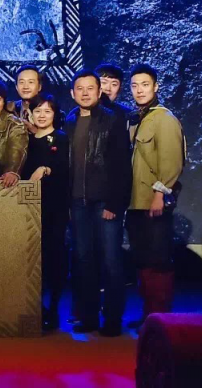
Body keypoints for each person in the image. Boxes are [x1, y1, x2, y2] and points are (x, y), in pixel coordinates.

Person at [65, 69, 132, 337]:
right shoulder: (69, 121)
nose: (85, 93)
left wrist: (114, 203)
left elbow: (122, 166)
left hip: (105, 202)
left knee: (111, 260)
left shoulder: (113, 120)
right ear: (72, 93)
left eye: (90, 88)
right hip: (77, 202)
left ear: (99, 91)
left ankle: (113, 319)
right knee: (83, 260)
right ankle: (89, 317)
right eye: (79, 88)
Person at [126, 63, 185, 327]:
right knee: (143, 258)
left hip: (154, 201)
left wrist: (160, 194)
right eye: (135, 86)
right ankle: (149, 315)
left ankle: (160, 318)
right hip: (136, 201)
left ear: (156, 86)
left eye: (145, 85)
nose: (139, 90)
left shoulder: (165, 118)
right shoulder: (139, 119)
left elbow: (172, 161)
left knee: (158, 258)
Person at [20, 94, 70, 331]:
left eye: (47, 111)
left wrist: (46, 169)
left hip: (54, 206)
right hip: (29, 207)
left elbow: (64, 168)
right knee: (32, 259)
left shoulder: (60, 137)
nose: (41, 115)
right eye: (37, 111)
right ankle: (35, 307)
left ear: (55, 115)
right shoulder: (26, 140)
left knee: (53, 256)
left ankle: (54, 307)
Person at [6, 65, 43, 134]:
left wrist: (34, 130)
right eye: (21, 82)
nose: (25, 87)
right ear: (16, 87)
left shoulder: (50, 112)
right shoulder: (8, 109)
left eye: (30, 82)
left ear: (39, 87)